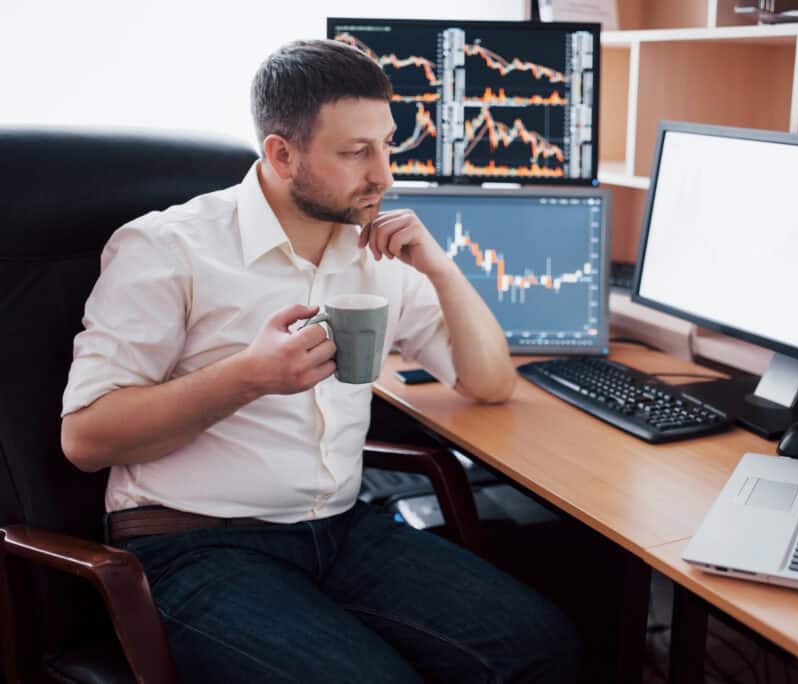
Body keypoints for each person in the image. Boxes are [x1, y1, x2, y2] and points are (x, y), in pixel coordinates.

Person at [60, 39, 579, 683]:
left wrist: (441, 268)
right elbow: (84, 437)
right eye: (356, 152)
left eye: (388, 145)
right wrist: (249, 377)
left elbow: (490, 382)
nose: (384, 173)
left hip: (338, 530)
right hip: (193, 545)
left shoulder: (372, 251)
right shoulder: (168, 249)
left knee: (542, 645)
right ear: (282, 154)